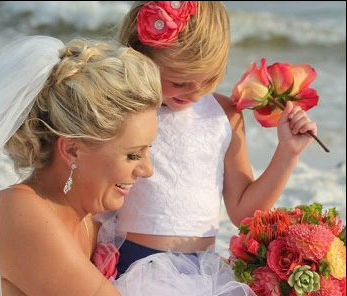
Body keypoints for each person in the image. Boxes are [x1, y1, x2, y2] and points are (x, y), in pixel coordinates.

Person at [0, 36, 338, 296]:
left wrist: (276, 288)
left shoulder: (90, 216)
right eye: (133, 154)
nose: (147, 170)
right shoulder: (21, 214)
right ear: (73, 151)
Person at [115, 1, 322, 275]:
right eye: (179, 82)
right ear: (141, 56)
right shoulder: (121, 108)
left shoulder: (223, 115)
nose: (196, 93)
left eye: (208, 79)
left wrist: (288, 153)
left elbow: (243, 214)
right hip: (133, 264)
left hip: (202, 269)